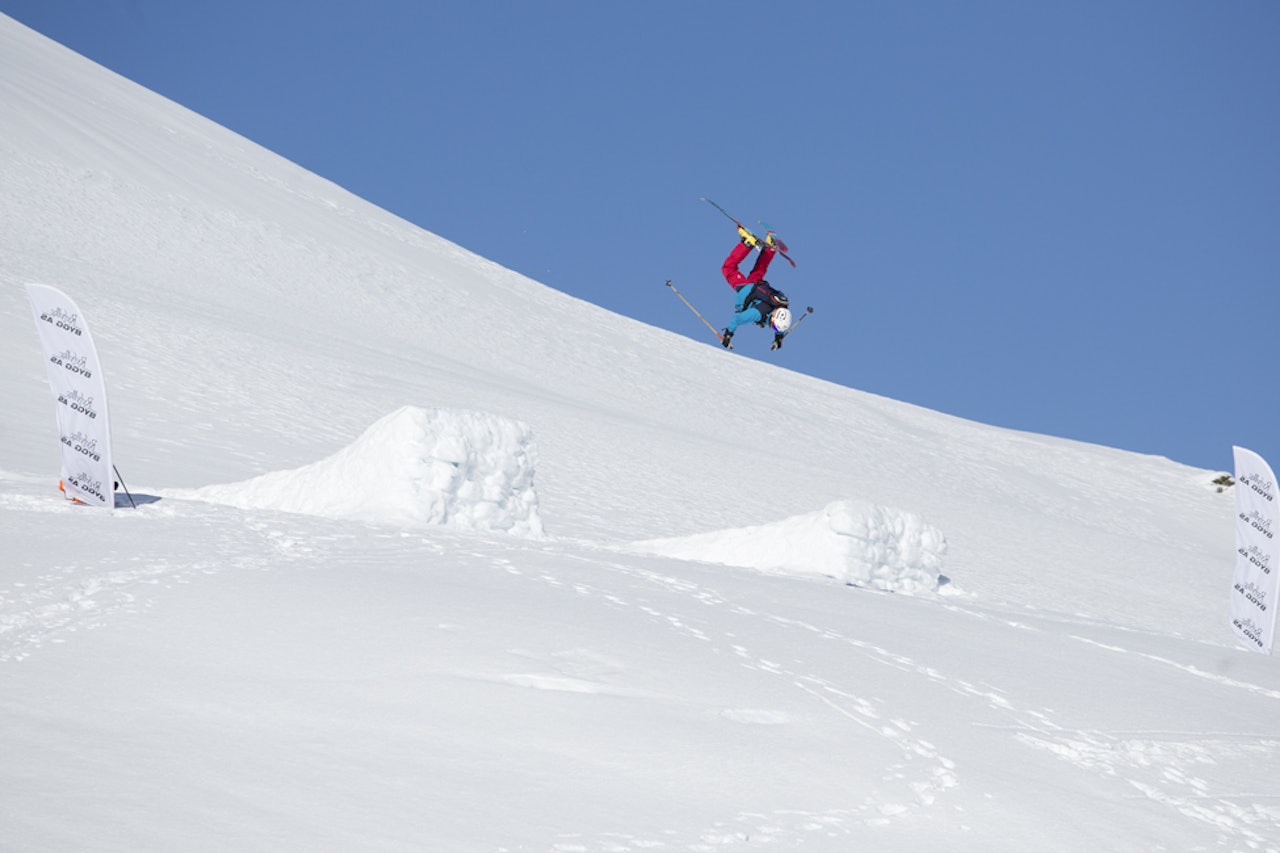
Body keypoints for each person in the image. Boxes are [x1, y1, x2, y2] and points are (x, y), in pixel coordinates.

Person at [720, 226, 792, 350]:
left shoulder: (780, 307)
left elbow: (781, 324)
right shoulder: (758, 314)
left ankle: (770, 248)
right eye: (774, 326)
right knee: (728, 268)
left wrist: (779, 337)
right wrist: (728, 334)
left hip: (758, 286)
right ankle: (747, 243)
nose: (772, 327)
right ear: (774, 318)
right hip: (746, 291)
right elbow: (737, 319)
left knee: (758, 270)